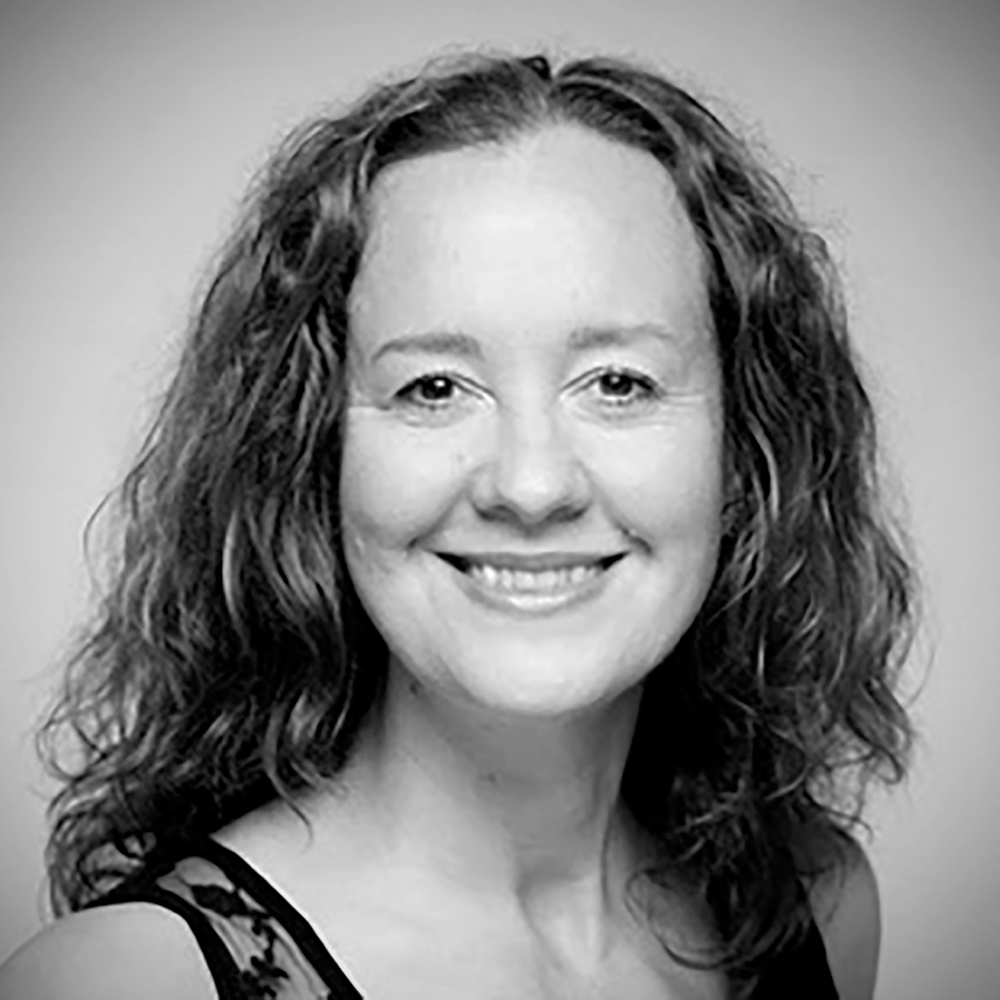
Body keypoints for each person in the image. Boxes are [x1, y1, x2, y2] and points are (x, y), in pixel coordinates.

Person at [0, 51, 914, 1000]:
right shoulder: (121, 984)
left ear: (745, 452)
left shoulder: (823, 908)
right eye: (433, 387)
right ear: (312, 454)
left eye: (618, 383)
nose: (530, 484)